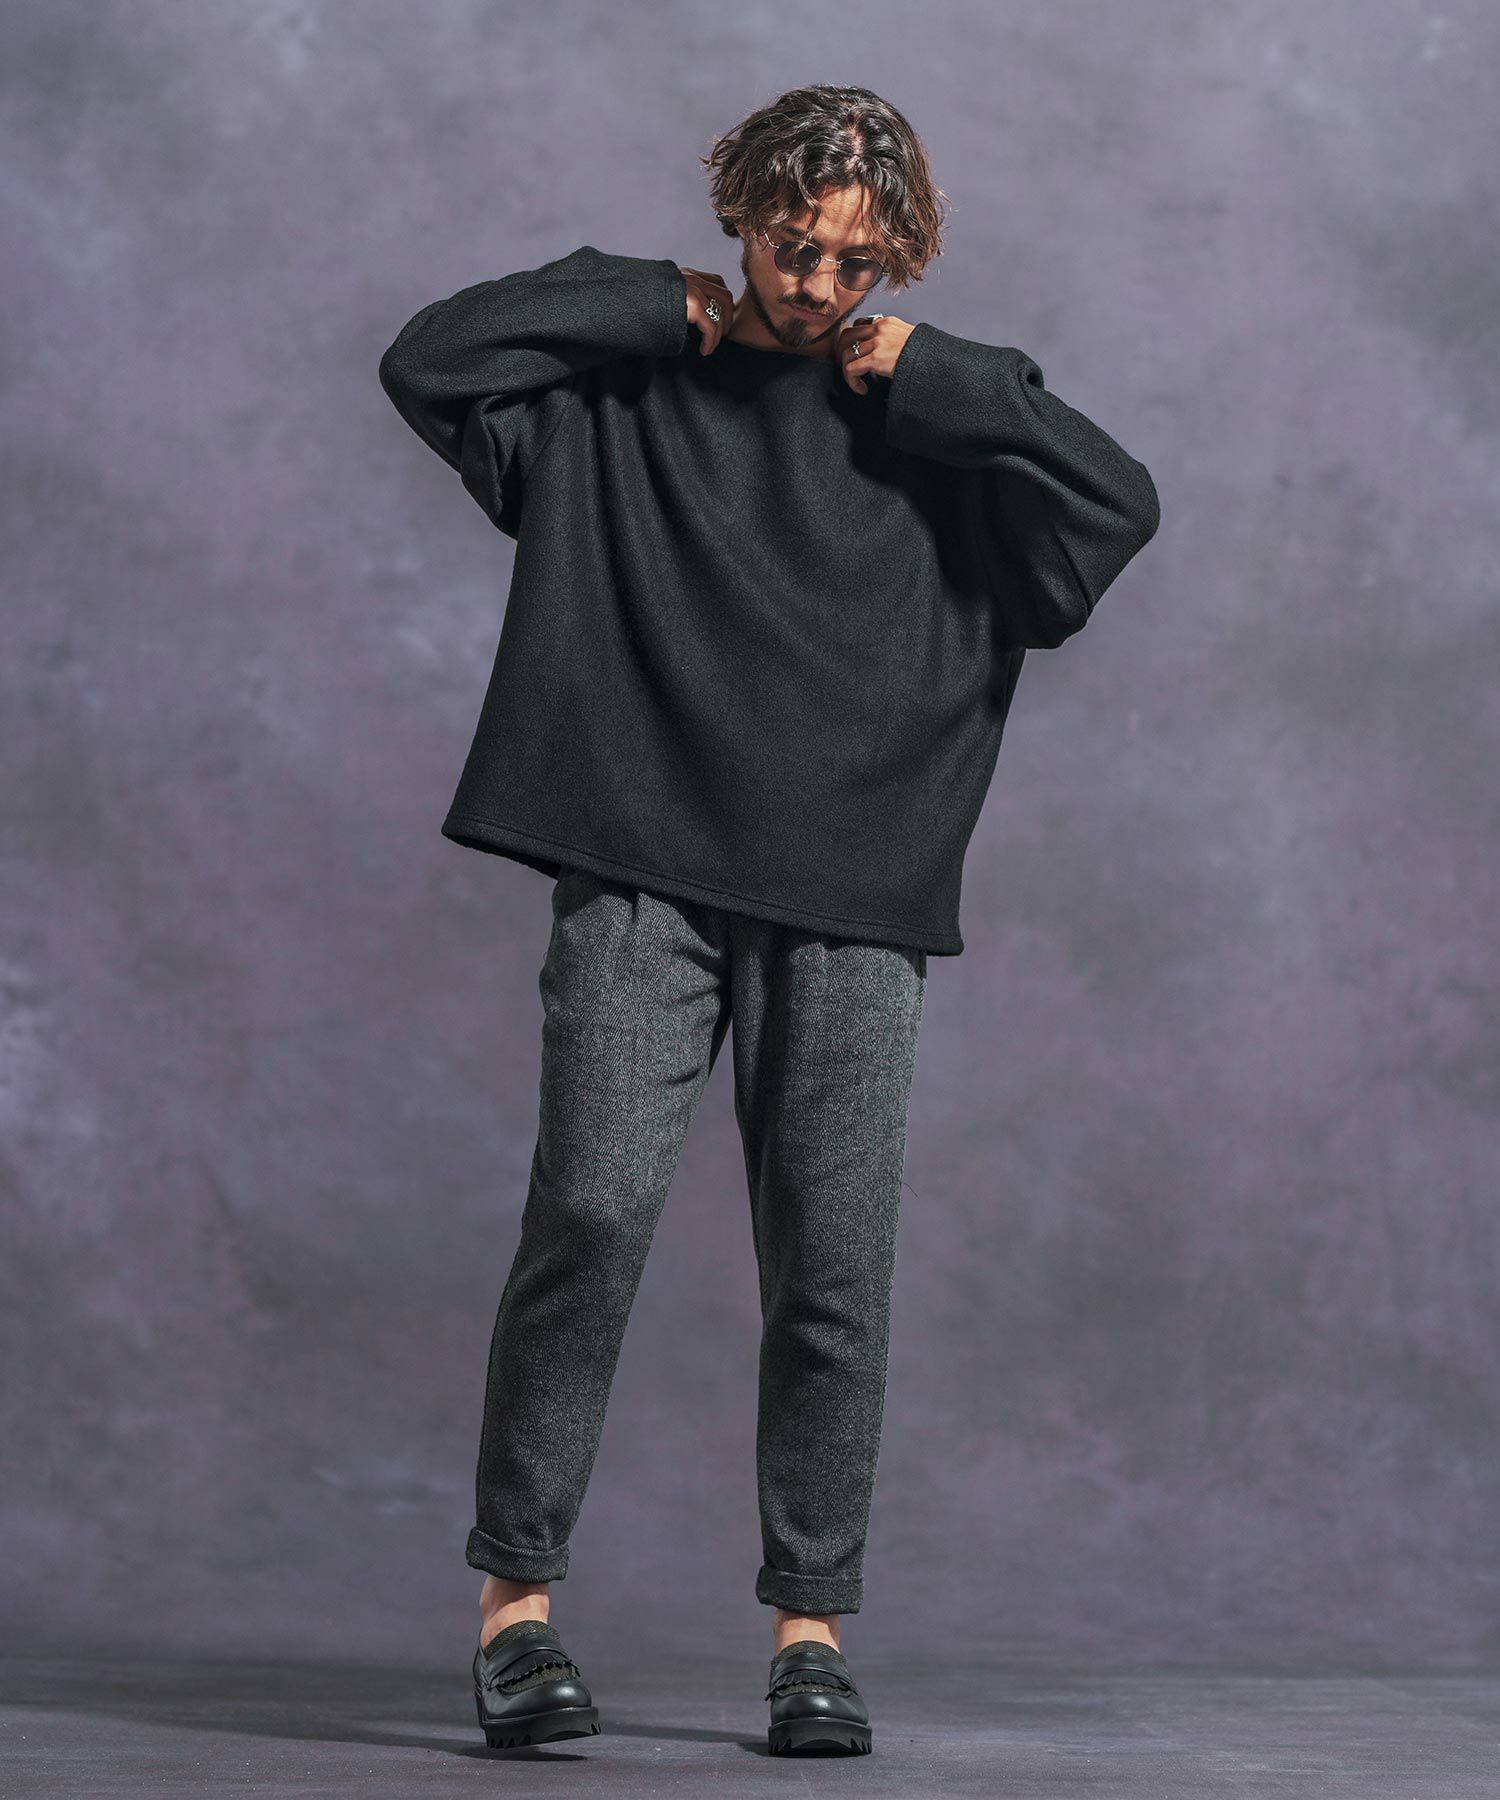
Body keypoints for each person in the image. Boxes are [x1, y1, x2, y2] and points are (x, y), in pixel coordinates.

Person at [377, 81, 1160, 1758]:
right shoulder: (618, 397)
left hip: (853, 892)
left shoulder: (928, 423)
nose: (814, 284)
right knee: (588, 1218)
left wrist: (943, 375)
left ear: (901, 259)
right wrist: (636, 299)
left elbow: (1114, 508)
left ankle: (811, 1632)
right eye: (791, 245)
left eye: (854, 261)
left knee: (832, 1271)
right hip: (638, 869)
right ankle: (516, 1610)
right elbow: (429, 361)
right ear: (740, 213)